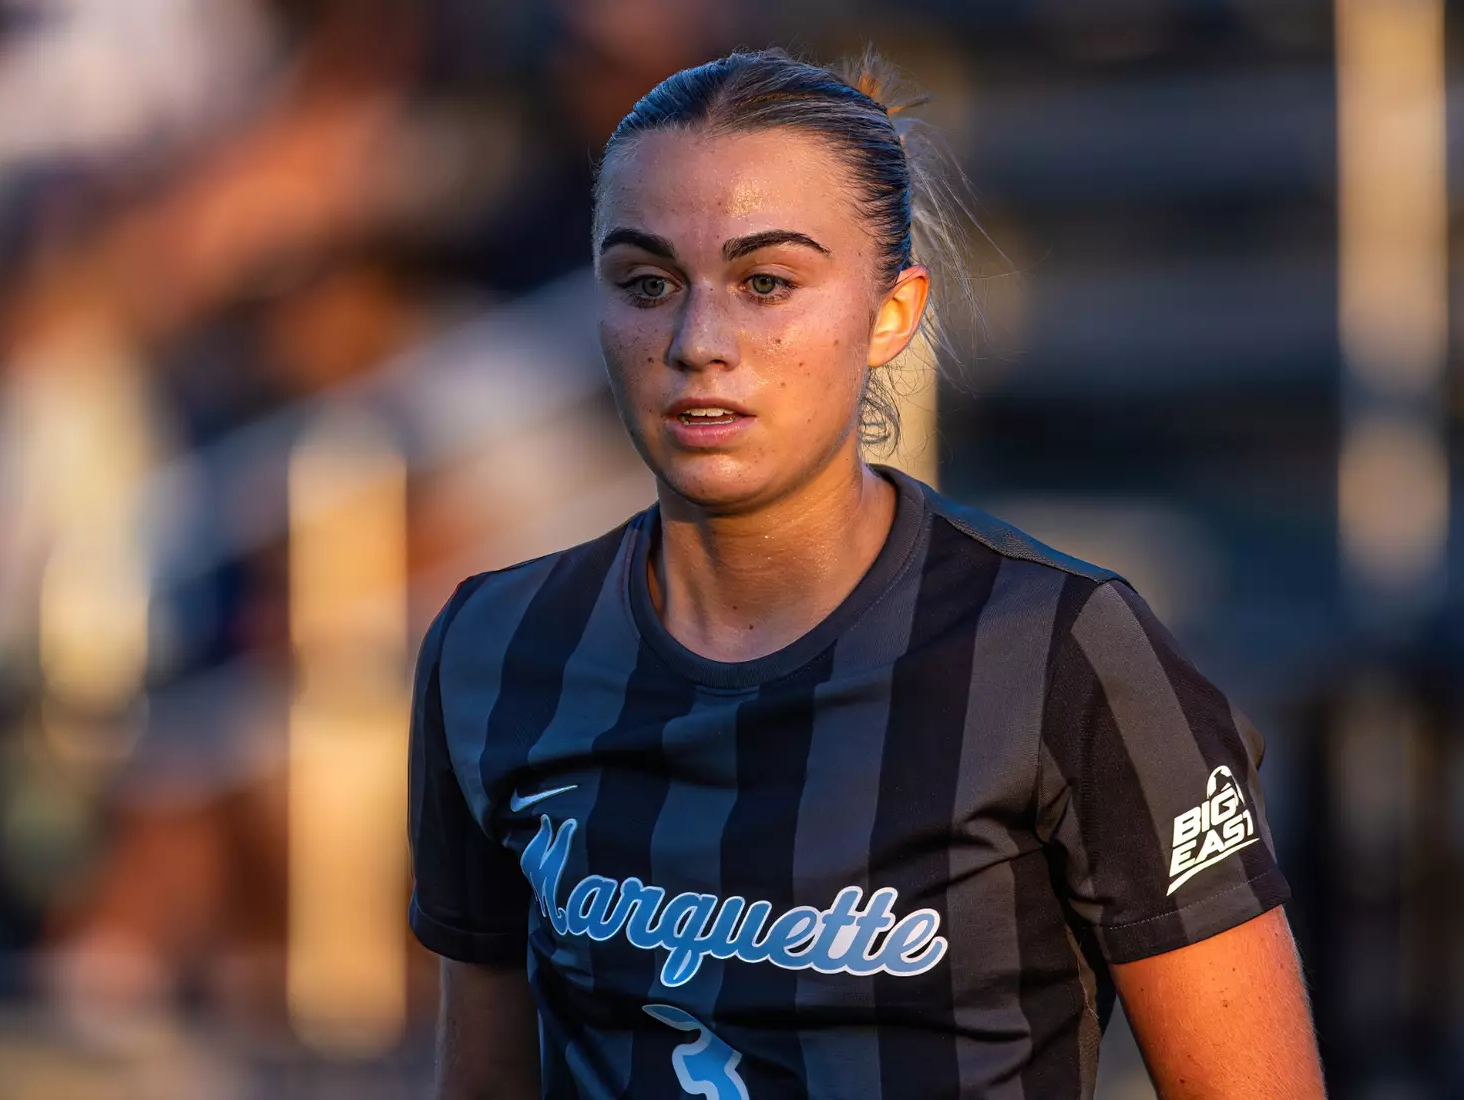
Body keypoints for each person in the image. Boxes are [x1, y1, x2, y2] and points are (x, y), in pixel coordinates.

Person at [407, 48, 1325, 1099]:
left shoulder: (1061, 652)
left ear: (893, 312)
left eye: (767, 282)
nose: (701, 340)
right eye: (647, 282)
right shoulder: (495, 646)